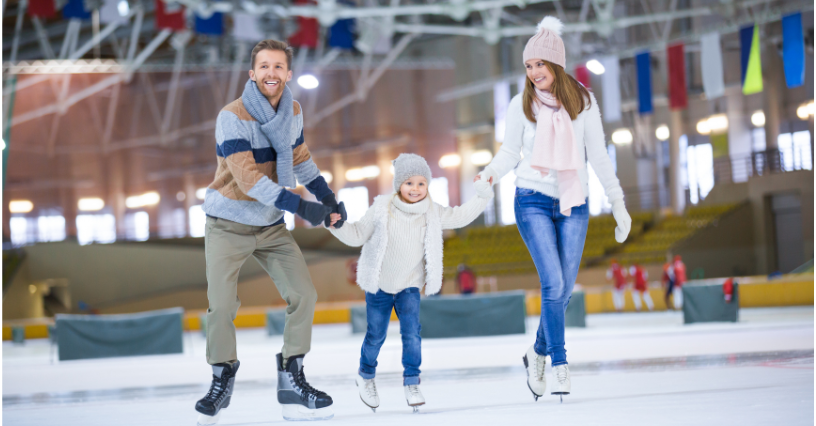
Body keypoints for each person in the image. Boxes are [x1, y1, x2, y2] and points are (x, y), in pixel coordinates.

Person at [475, 16, 631, 402]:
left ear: (555, 65)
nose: (533, 73)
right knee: (553, 284)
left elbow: (597, 155)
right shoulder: (520, 104)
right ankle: (559, 364)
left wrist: (618, 202)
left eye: (539, 65)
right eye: (528, 66)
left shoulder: (584, 101)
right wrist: (491, 174)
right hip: (531, 199)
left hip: (573, 202)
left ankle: (537, 352)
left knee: (562, 292)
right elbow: (510, 152)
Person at [195, 39, 345, 425]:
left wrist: (328, 199)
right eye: (264, 67)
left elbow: (299, 158)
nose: (271, 73)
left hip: (271, 225)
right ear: (252, 73)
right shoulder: (232, 116)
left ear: (288, 73)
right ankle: (221, 376)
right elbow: (247, 181)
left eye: (278, 67)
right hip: (228, 224)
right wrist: (302, 207)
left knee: (304, 294)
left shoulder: (292, 110)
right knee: (223, 305)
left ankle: (291, 378)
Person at [329, 153, 493, 412]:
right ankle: (366, 376)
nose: (415, 189)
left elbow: (460, 216)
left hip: (409, 286)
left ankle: (412, 381)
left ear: (427, 186)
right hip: (380, 286)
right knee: (376, 336)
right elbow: (358, 234)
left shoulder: (432, 211)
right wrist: (335, 225)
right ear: (398, 185)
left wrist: (483, 195)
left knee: (412, 336)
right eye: (409, 183)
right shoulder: (382, 207)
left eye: (421, 183)